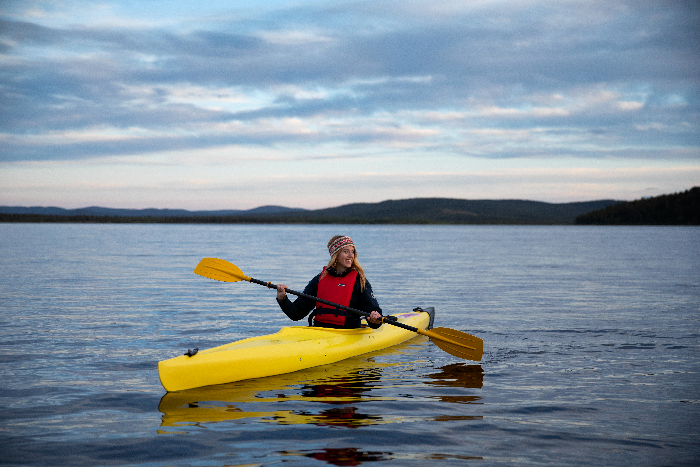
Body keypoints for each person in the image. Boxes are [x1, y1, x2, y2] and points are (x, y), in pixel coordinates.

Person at [276, 235, 383, 329]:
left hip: (348, 333)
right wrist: (282, 298)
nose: (351, 255)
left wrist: (374, 318)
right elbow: (297, 313)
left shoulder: (359, 281)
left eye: (352, 251)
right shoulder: (319, 279)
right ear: (335, 255)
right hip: (320, 332)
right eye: (346, 251)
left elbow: (374, 314)